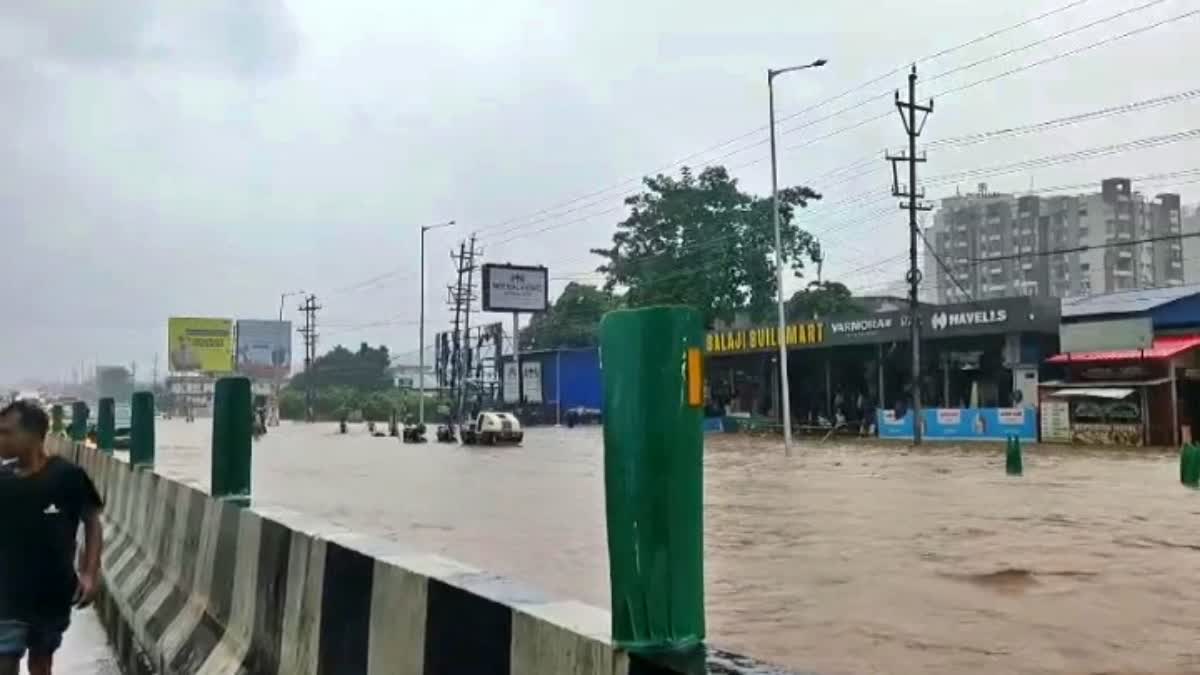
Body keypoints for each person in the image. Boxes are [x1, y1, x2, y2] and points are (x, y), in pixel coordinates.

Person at [0, 401, 103, 675]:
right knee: (5, 662)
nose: (1, 439)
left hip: (52, 592)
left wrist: (90, 573)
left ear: (33, 435)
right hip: (7, 594)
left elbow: (92, 522)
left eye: (6, 432)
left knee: (41, 662)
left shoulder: (67, 477)